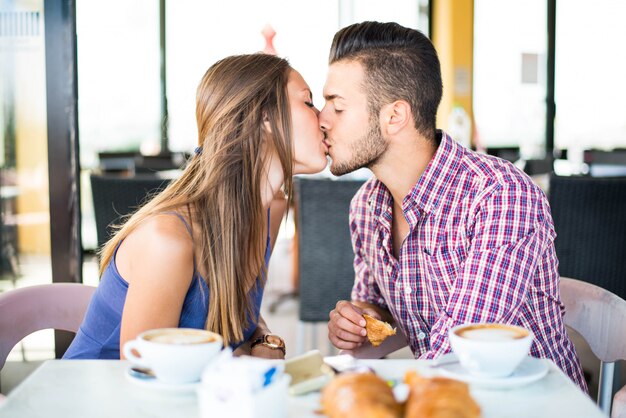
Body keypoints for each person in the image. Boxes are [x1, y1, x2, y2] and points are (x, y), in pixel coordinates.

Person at [322, 21, 587, 391]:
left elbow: (458, 353)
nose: (321, 120)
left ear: (395, 116)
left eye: (336, 107)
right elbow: (382, 323)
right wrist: (362, 324)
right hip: (446, 400)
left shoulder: (498, 195)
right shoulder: (366, 205)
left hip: (529, 403)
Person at [64, 53, 328, 360]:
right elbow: (142, 382)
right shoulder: (169, 241)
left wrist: (263, 340)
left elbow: (238, 316)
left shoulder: (271, 211)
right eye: (308, 103)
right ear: (264, 116)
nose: (324, 118)